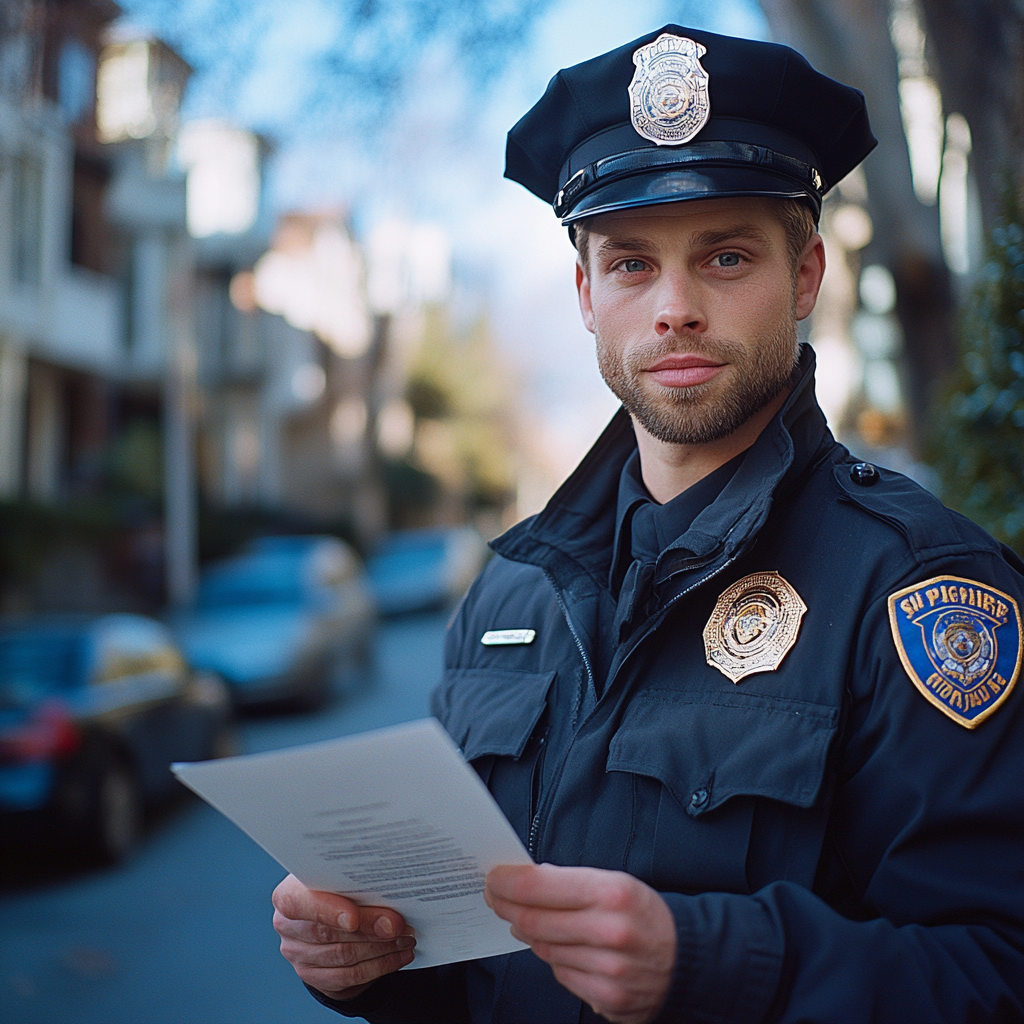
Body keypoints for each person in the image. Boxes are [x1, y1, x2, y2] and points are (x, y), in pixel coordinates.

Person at [271, 24, 1024, 1024]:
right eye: (630, 265)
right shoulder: (509, 588)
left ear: (803, 278)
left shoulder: (921, 589)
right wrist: (367, 963)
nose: (672, 308)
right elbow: (474, 963)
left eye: (722, 255)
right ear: (586, 294)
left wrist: (711, 963)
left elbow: (995, 969)